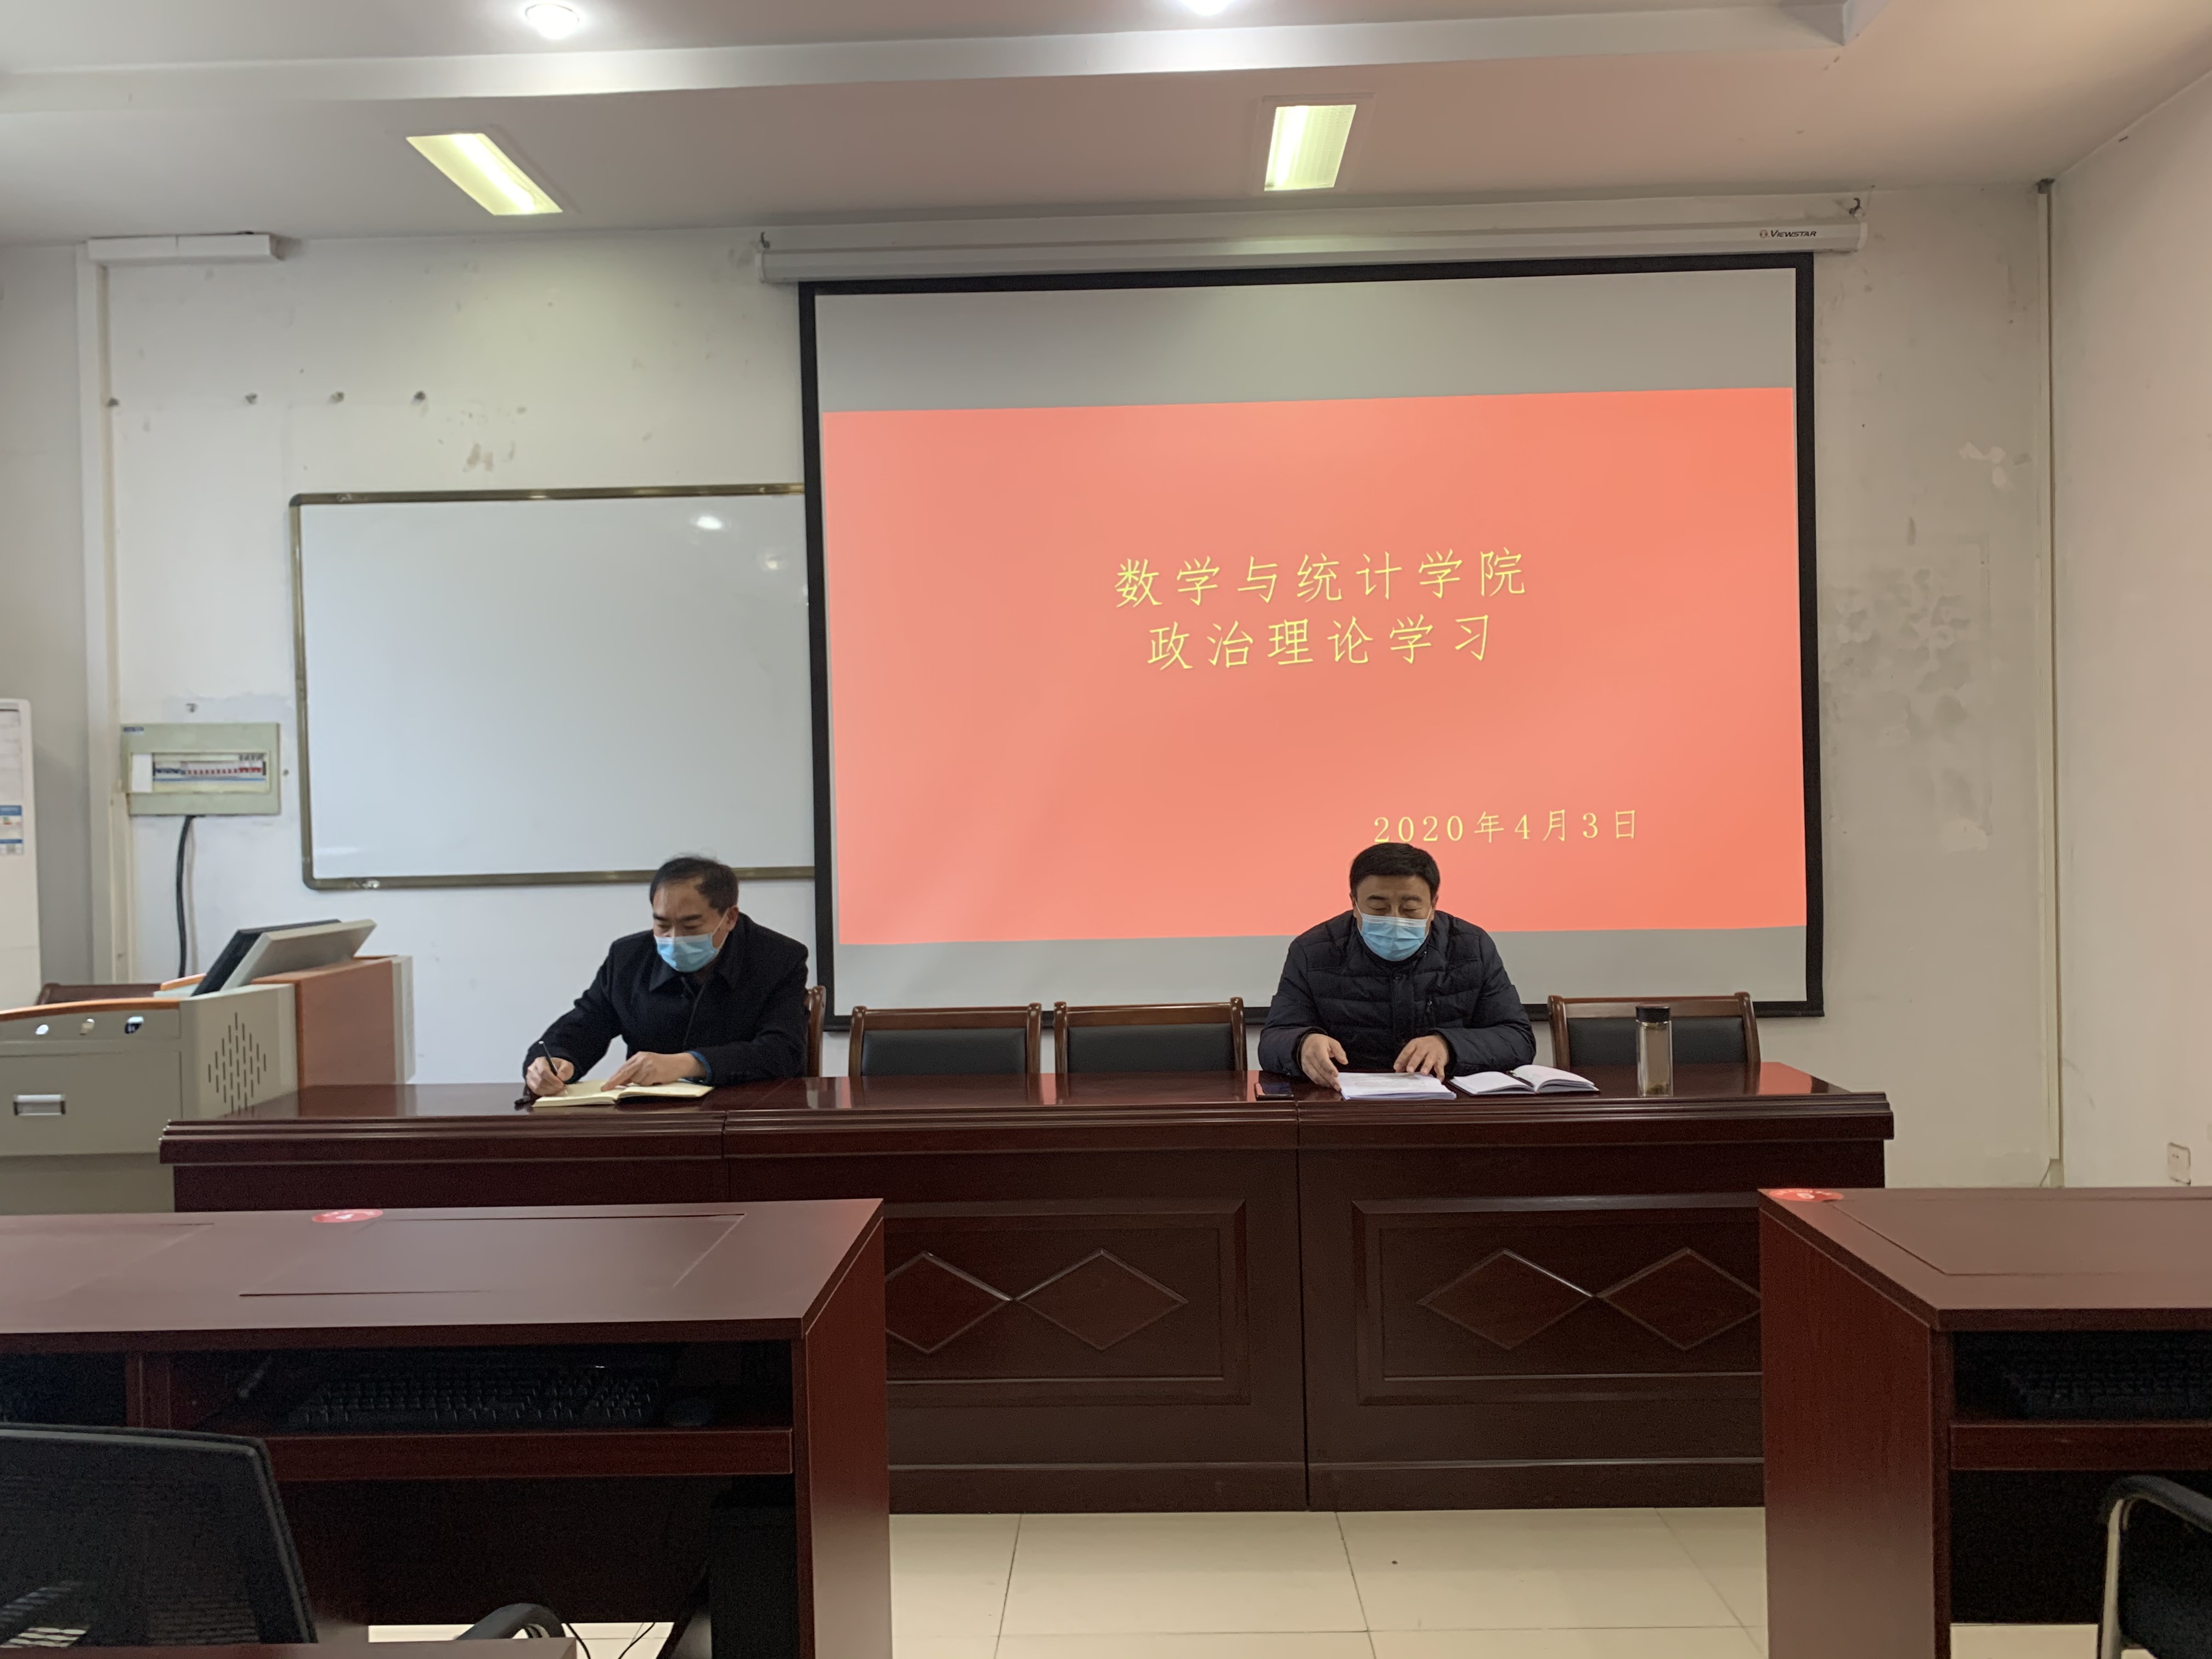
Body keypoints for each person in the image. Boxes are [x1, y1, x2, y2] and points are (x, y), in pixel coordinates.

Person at [523, 854, 809, 1097]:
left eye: (691, 926)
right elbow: (586, 1024)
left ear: (730, 917)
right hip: (651, 1117)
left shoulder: (778, 958)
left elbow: (783, 1051)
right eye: (662, 925)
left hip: (748, 1110)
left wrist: (691, 1063)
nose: (674, 938)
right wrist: (555, 1060)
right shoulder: (628, 958)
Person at [1258, 841, 1533, 1086]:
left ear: (1433, 905)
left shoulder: (1471, 946)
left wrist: (1448, 1045)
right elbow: (1273, 1040)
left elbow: (1518, 1039)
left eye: (1410, 908)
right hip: (1345, 1106)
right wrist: (1302, 1045)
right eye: (1378, 908)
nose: (1395, 919)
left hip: (1447, 1106)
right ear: (1354, 904)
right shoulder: (1313, 951)